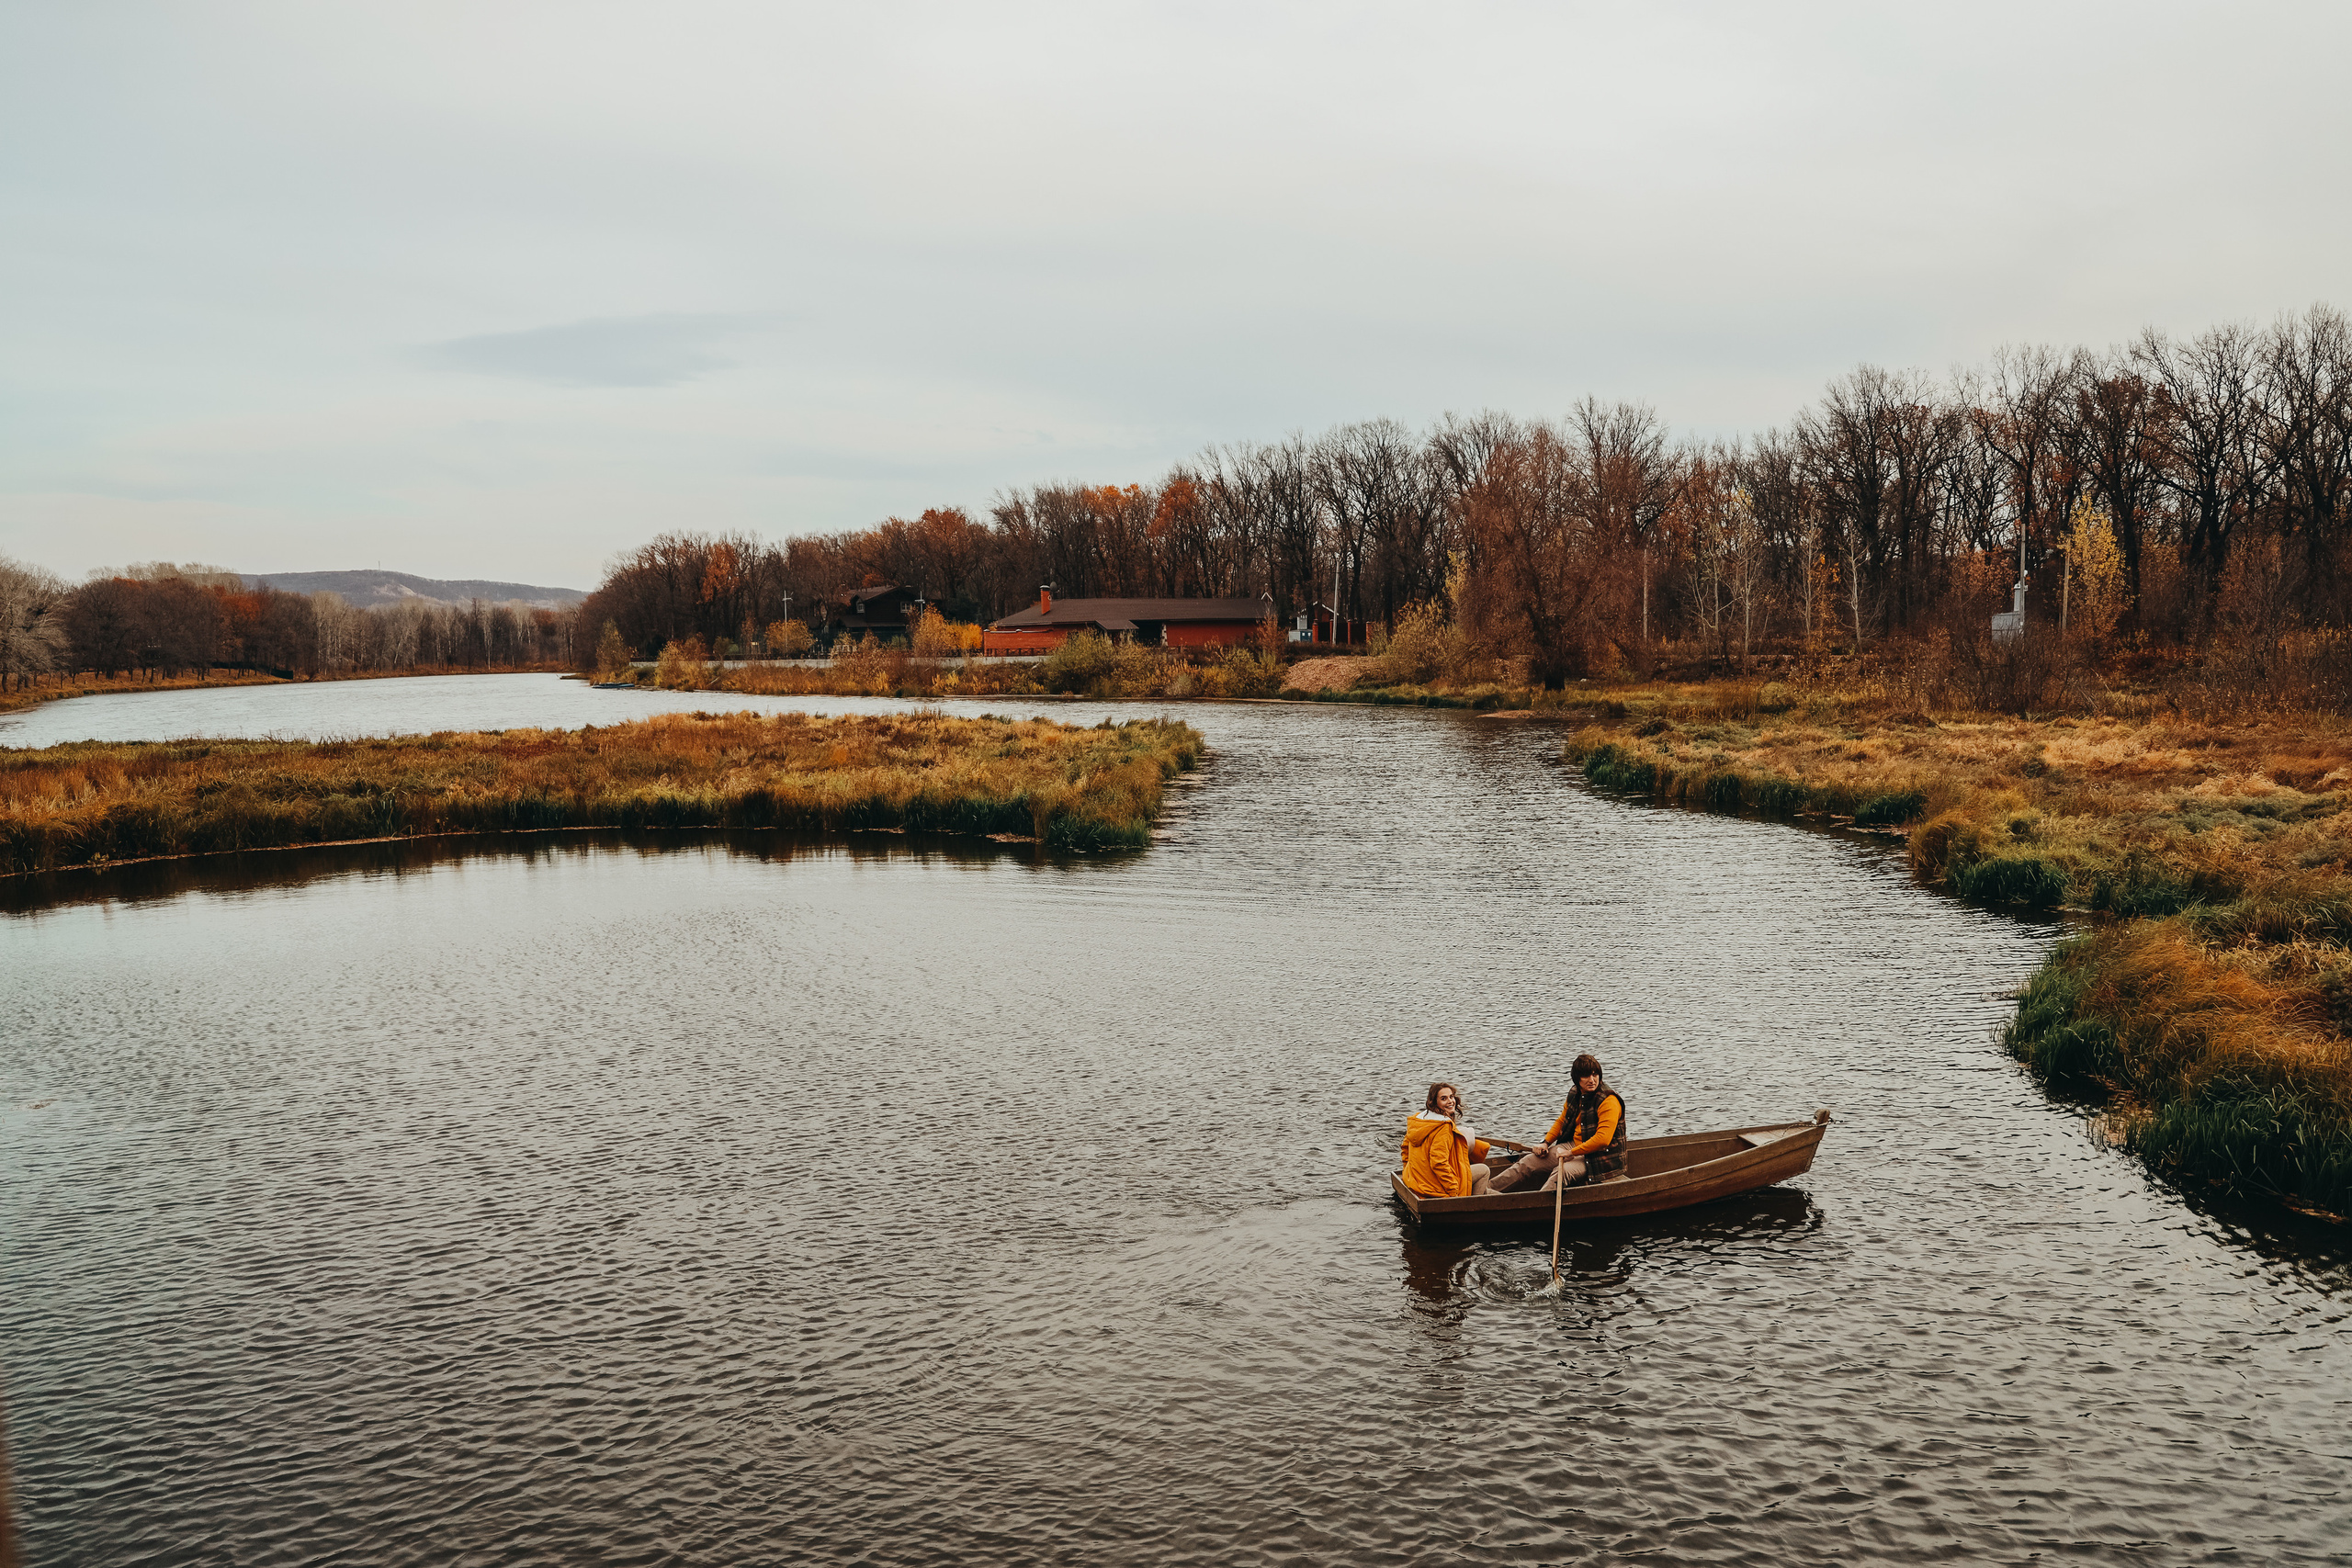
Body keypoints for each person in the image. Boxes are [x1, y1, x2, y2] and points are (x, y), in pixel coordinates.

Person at [1490, 1054, 1627, 1191]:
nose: (1592, 1080)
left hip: (1601, 1156)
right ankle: (1484, 1191)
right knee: (1527, 1162)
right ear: (1577, 1079)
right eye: (1586, 1076)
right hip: (1575, 1147)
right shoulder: (1575, 1093)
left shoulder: (1609, 1101)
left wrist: (1571, 1153)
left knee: (1561, 1172)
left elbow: (1602, 1140)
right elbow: (1562, 1121)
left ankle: (1537, 1207)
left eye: (1595, 1075)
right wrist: (1546, 1142)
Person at [1401, 1082, 1496, 1198]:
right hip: (1434, 1187)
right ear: (1434, 1102)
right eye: (1443, 1098)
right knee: (1484, 1170)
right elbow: (1438, 1162)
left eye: (1451, 1097)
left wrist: (1408, 1171)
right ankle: (1472, 1207)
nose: (1450, 1101)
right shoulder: (1443, 1127)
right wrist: (1453, 1191)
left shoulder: (1418, 1121)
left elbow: (1405, 1148)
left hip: (1416, 1182)